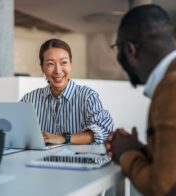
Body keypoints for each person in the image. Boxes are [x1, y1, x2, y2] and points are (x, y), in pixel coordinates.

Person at [104, 4, 176, 196]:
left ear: (129, 50)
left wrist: (126, 155)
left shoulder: (171, 88)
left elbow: (163, 188)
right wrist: (141, 150)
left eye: (117, 48)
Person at [21, 38, 113, 145]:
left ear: (70, 64)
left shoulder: (87, 96)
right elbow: (15, 131)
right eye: (50, 64)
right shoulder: (29, 100)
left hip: (80, 160)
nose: (58, 71)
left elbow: (104, 130)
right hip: (38, 160)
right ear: (42, 67)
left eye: (64, 62)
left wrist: (64, 138)